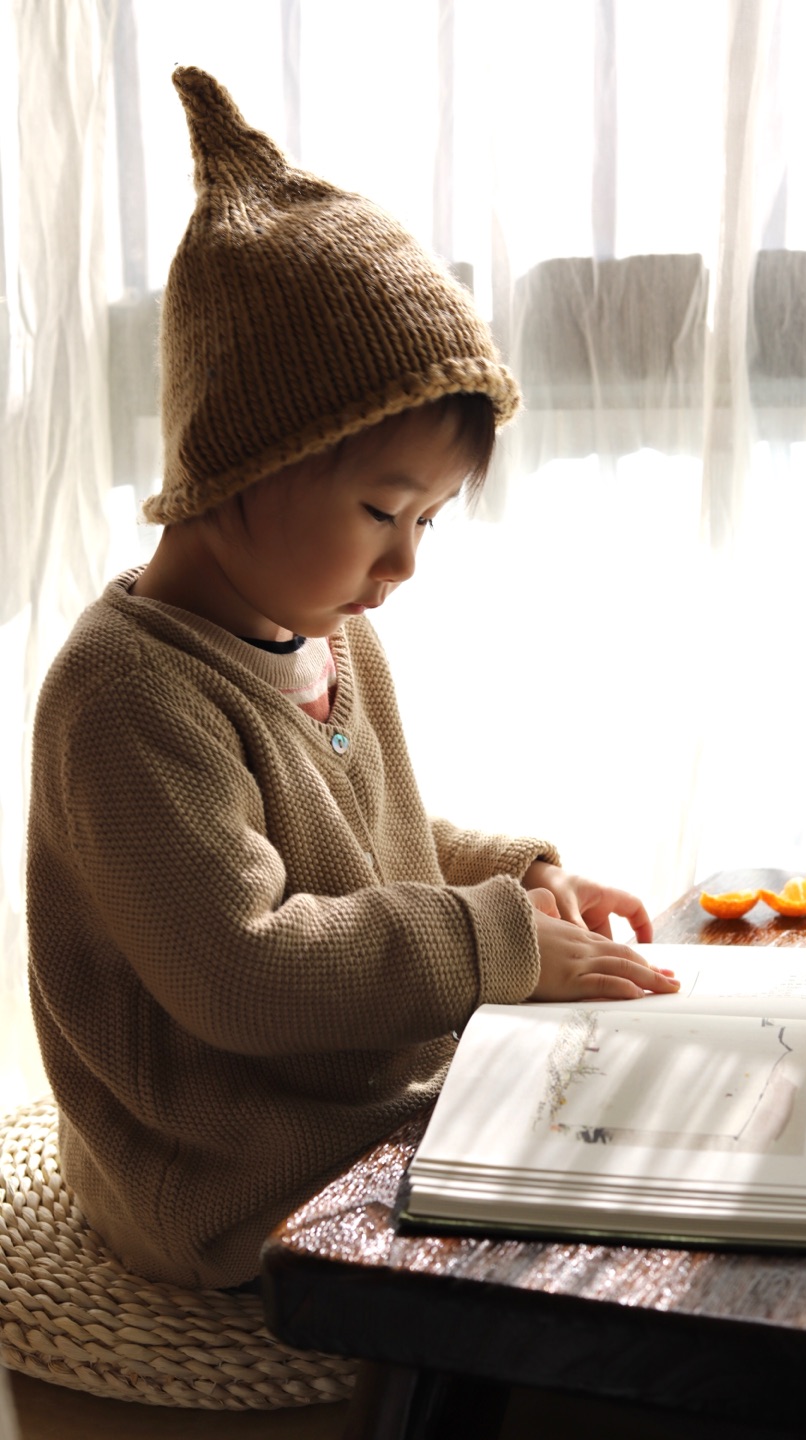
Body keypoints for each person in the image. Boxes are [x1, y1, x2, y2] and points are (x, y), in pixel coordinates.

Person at [26, 67, 679, 1290]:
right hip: (231, 1167)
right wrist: (494, 944)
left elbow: (364, 845)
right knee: (576, 1275)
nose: (405, 562)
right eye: (384, 510)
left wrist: (506, 872)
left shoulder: (327, 626)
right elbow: (245, 964)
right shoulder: (126, 696)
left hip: (351, 1102)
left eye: (429, 521)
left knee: (642, 1150)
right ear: (236, 464)